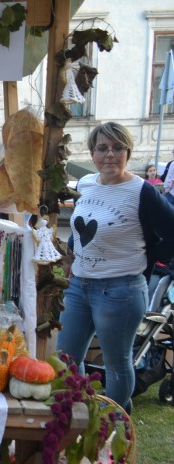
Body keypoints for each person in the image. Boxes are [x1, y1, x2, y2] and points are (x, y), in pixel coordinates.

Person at [57, 122, 174, 413]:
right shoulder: (86, 184)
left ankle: (116, 421)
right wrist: (71, 253)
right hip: (78, 287)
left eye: (117, 148)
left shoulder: (142, 191)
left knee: (117, 364)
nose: (110, 154)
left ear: (127, 152)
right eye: (102, 148)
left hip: (120, 290)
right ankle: (79, 416)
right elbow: (81, 226)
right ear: (92, 154)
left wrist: (147, 257)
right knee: (66, 358)